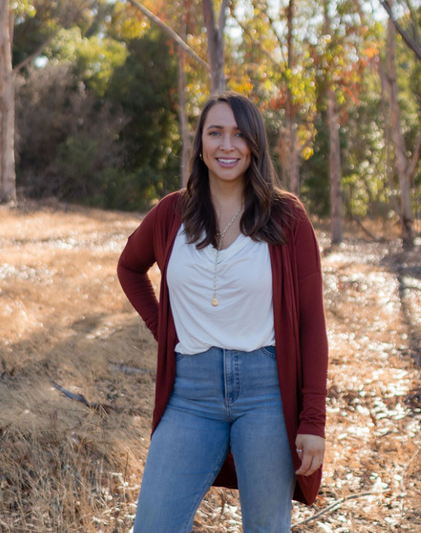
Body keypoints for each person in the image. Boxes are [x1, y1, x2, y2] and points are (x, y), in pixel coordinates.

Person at [117, 91, 328, 533]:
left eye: (238, 134)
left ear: (255, 144)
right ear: (200, 144)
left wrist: (312, 420)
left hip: (266, 395)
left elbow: (311, 326)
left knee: (266, 528)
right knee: (153, 525)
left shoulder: (287, 217)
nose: (227, 145)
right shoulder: (172, 213)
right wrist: (165, 330)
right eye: (215, 133)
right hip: (190, 395)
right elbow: (130, 267)